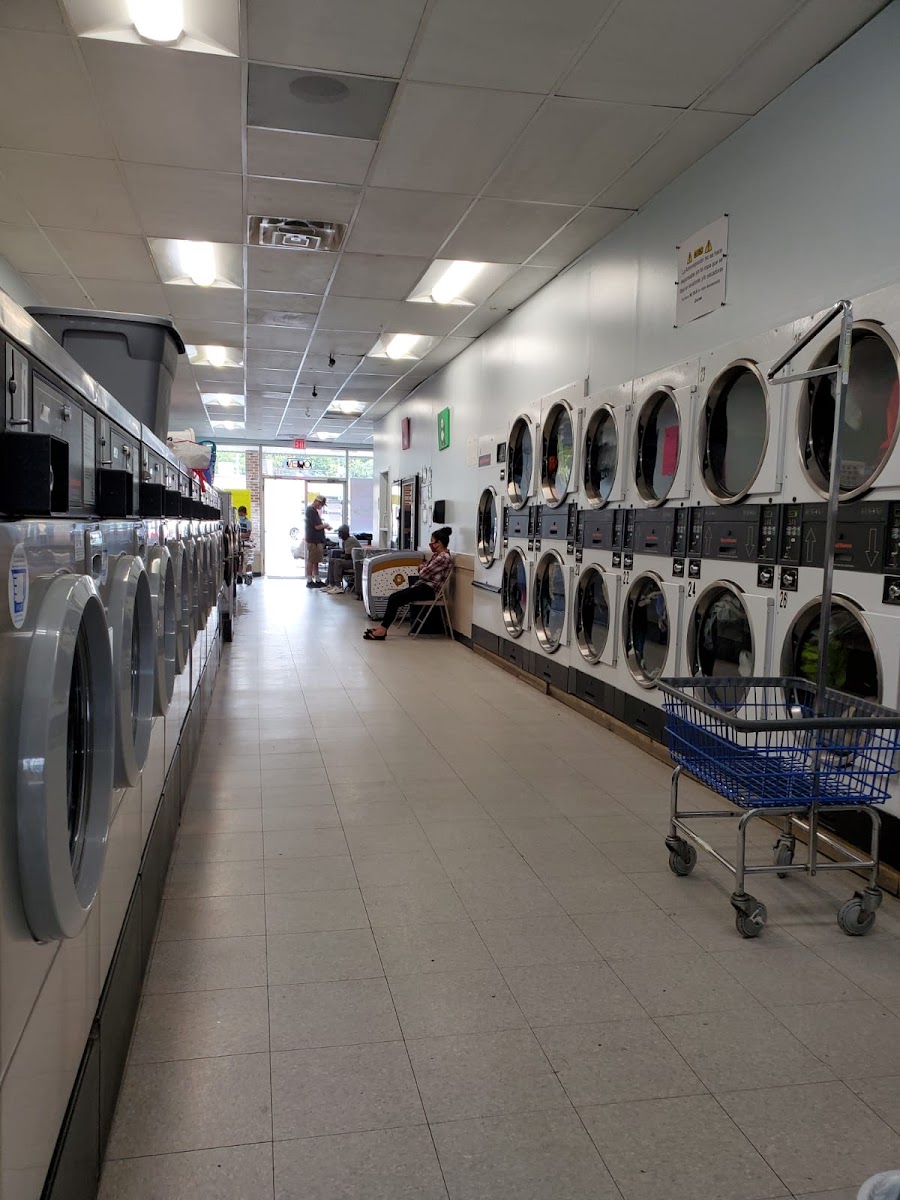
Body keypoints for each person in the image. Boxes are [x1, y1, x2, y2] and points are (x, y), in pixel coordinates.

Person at [364, 527, 453, 640]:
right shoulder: (438, 556)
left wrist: (422, 568)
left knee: (394, 599)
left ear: (438, 543)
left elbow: (423, 573)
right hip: (423, 586)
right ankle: (382, 628)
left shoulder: (443, 558)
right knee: (394, 597)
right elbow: (426, 570)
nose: (430, 544)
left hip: (429, 590)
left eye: (432, 541)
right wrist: (423, 568)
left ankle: (382, 630)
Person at [304, 495, 331, 588]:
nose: (321, 507)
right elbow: (316, 527)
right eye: (321, 504)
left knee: (316, 560)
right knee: (312, 560)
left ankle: (317, 579)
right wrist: (325, 525)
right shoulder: (311, 511)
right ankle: (309, 580)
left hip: (317, 540)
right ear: (317, 502)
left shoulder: (314, 511)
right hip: (313, 540)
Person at [324, 525, 361, 593]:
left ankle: (338, 586)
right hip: (351, 561)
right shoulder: (345, 541)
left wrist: (341, 556)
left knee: (337, 562)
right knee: (332, 560)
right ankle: (331, 584)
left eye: (340, 533)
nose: (339, 534)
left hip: (355, 563)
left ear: (345, 533)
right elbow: (344, 553)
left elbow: (347, 556)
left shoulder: (350, 540)